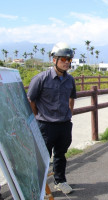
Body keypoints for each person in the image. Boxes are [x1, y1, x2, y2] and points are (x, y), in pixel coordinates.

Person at [27, 42, 76, 194]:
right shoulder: (41, 79)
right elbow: (31, 101)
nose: (67, 62)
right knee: (42, 157)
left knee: (61, 155)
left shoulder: (70, 80)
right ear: (54, 59)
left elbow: (71, 97)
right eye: (63, 59)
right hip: (46, 125)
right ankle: (39, 187)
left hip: (64, 124)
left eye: (69, 60)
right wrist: (38, 116)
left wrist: (69, 113)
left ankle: (60, 181)